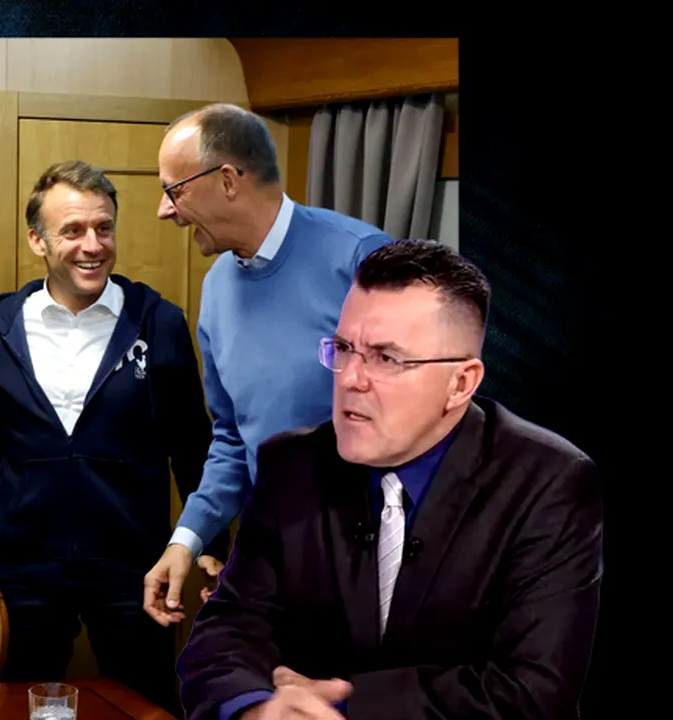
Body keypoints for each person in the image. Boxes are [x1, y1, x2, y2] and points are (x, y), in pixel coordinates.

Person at [177, 239, 603, 720]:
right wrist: (256, 710)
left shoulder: (548, 484)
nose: (350, 379)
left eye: (386, 358)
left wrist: (338, 706)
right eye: (343, 349)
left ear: (461, 383)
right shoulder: (291, 464)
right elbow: (227, 631)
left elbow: (532, 692)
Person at [0, 161, 227, 715]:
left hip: (133, 569)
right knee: (17, 705)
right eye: (73, 230)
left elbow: (191, 443)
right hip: (28, 570)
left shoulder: (158, 322)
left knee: (144, 706)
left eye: (104, 228)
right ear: (38, 241)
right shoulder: (2, 324)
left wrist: (211, 542)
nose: (92, 245)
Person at [144, 104, 394, 624]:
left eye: (174, 190)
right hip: (277, 565)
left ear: (227, 180)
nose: (165, 211)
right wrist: (187, 539)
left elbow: (429, 422)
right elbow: (233, 437)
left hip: (373, 568)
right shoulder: (216, 288)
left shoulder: (362, 258)